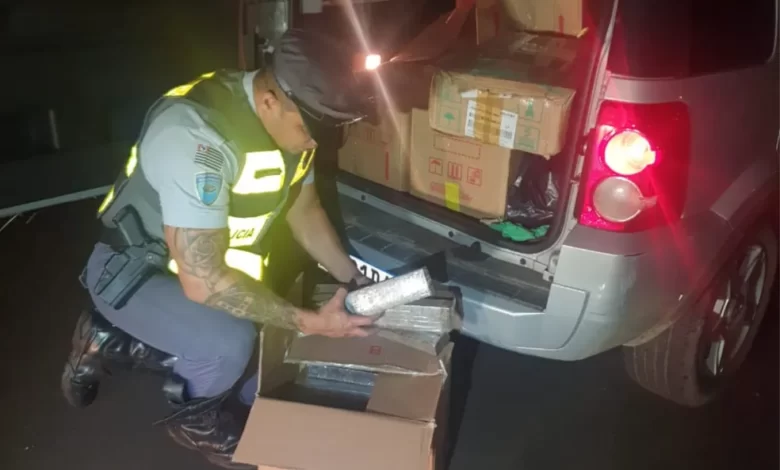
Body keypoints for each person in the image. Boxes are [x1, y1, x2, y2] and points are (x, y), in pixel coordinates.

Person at [60, 29, 377, 469]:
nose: (316, 142)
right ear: (270, 101)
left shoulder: (292, 125)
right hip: (135, 271)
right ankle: (192, 419)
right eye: (314, 129)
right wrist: (308, 321)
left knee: (260, 366)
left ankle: (119, 339)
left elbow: (304, 210)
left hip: (200, 271)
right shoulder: (197, 138)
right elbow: (203, 280)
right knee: (230, 343)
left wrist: (353, 277)